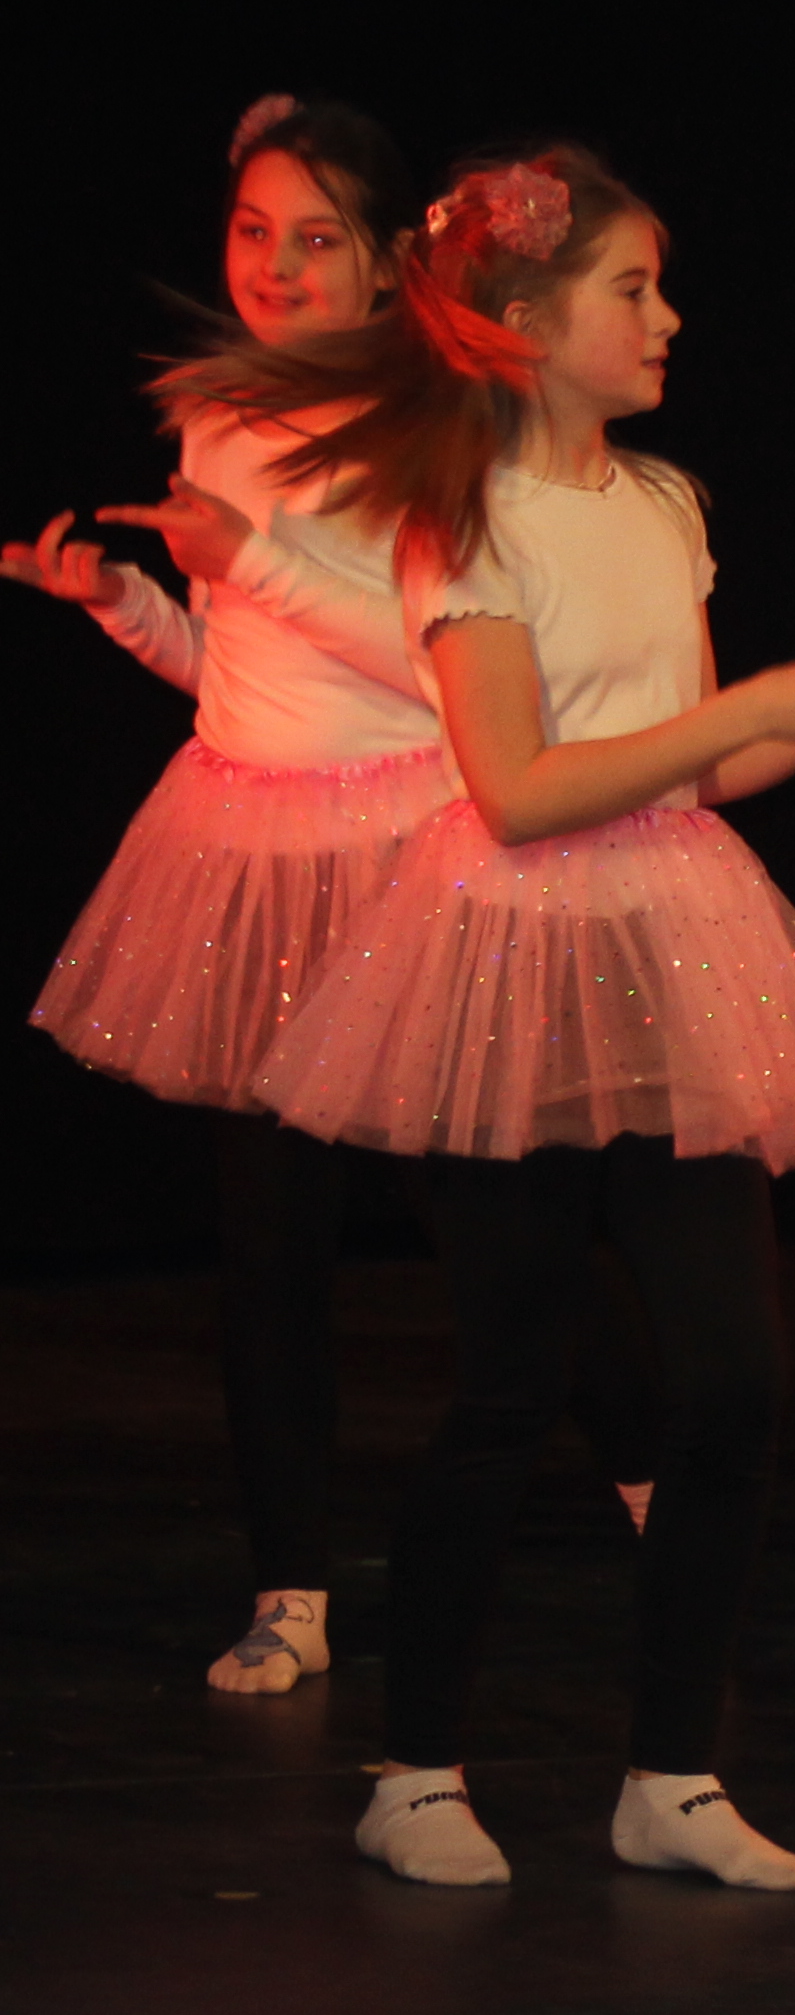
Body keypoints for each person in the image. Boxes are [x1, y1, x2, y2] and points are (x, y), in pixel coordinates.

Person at [211, 148, 795, 1889]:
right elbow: (518, 790)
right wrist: (751, 709)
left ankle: (672, 1777)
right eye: (633, 289)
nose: (668, 318)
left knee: (734, 1377)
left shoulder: (660, 504)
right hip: (507, 963)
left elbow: (685, 763)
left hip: (665, 945)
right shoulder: (464, 518)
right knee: (512, 1380)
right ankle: (415, 1769)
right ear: (522, 325)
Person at [17, 98, 478, 1696]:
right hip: (250, 856)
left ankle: (654, 1488)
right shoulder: (216, 414)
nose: (276, 266)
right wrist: (127, 602)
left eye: (315, 239)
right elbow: (239, 669)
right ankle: (292, 1587)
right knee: (269, 1247)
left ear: (389, 260)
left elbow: (441, 660)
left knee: (487, 1221)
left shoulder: (432, 414)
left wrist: (252, 558)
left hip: (405, 840)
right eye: (252, 232)